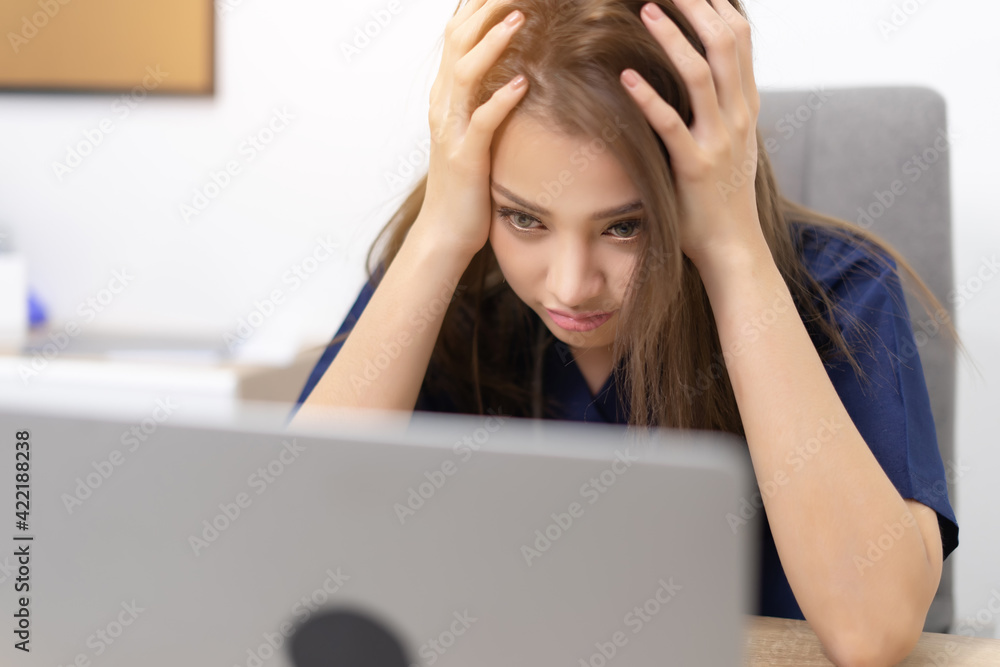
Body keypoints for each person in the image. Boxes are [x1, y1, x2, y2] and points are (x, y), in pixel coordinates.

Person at [289, 1, 961, 663]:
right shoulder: (454, 283)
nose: (570, 286)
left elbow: (874, 632)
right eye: (525, 218)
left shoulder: (839, 290)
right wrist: (439, 231)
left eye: (624, 226)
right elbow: (284, 560)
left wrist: (732, 252)